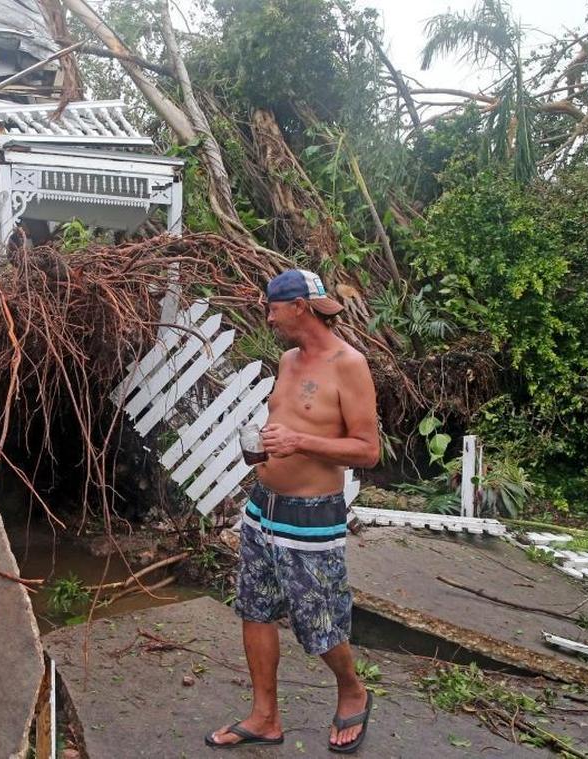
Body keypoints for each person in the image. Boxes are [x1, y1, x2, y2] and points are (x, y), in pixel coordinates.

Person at [206, 269, 380, 753]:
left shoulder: (350, 364)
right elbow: (286, 420)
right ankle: (265, 718)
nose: (268, 315)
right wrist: (266, 443)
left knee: (319, 622)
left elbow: (368, 450)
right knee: (254, 610)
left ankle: (352, 690)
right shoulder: (287, 359)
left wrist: (300, 441)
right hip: (263, 509)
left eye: (272, 307)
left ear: (299, 307)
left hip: (311, 516)